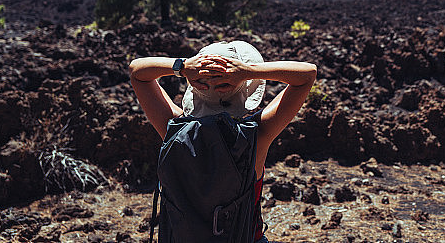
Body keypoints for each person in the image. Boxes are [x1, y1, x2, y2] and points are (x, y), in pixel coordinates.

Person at [129, 41, 317, 243]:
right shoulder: (256, 136)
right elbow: (306, 75)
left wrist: (182, 67)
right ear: (245, 91)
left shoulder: (174, 128)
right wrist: (249, 71)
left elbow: (137, 72)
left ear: (194, 86)